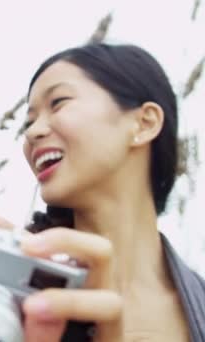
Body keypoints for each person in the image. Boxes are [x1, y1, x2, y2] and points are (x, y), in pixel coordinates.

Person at [18, 43, 205, 341]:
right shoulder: (13, 287)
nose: (32, 132)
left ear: (144, 123)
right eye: (28, 122)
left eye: (58, 102)